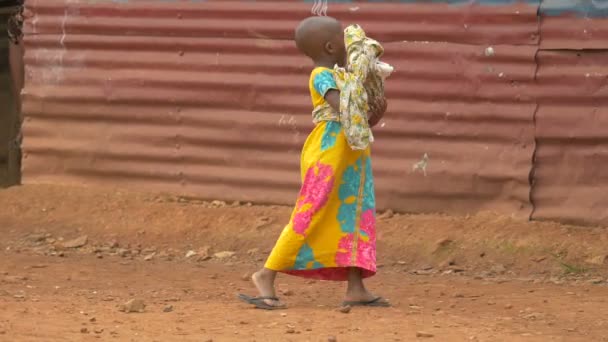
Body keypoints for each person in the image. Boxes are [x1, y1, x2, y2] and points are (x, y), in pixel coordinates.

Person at [238, 16, 388, 310]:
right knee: (312, 212)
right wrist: (360, 80)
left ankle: (356, 288)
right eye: (344, 40)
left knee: (355, 215)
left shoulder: (343, 76)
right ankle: (265, 275)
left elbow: (363, 117)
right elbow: (344, 108)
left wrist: (377, 100)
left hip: (352, 153)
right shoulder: (321, 75)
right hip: (330, 150)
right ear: (332, 46)